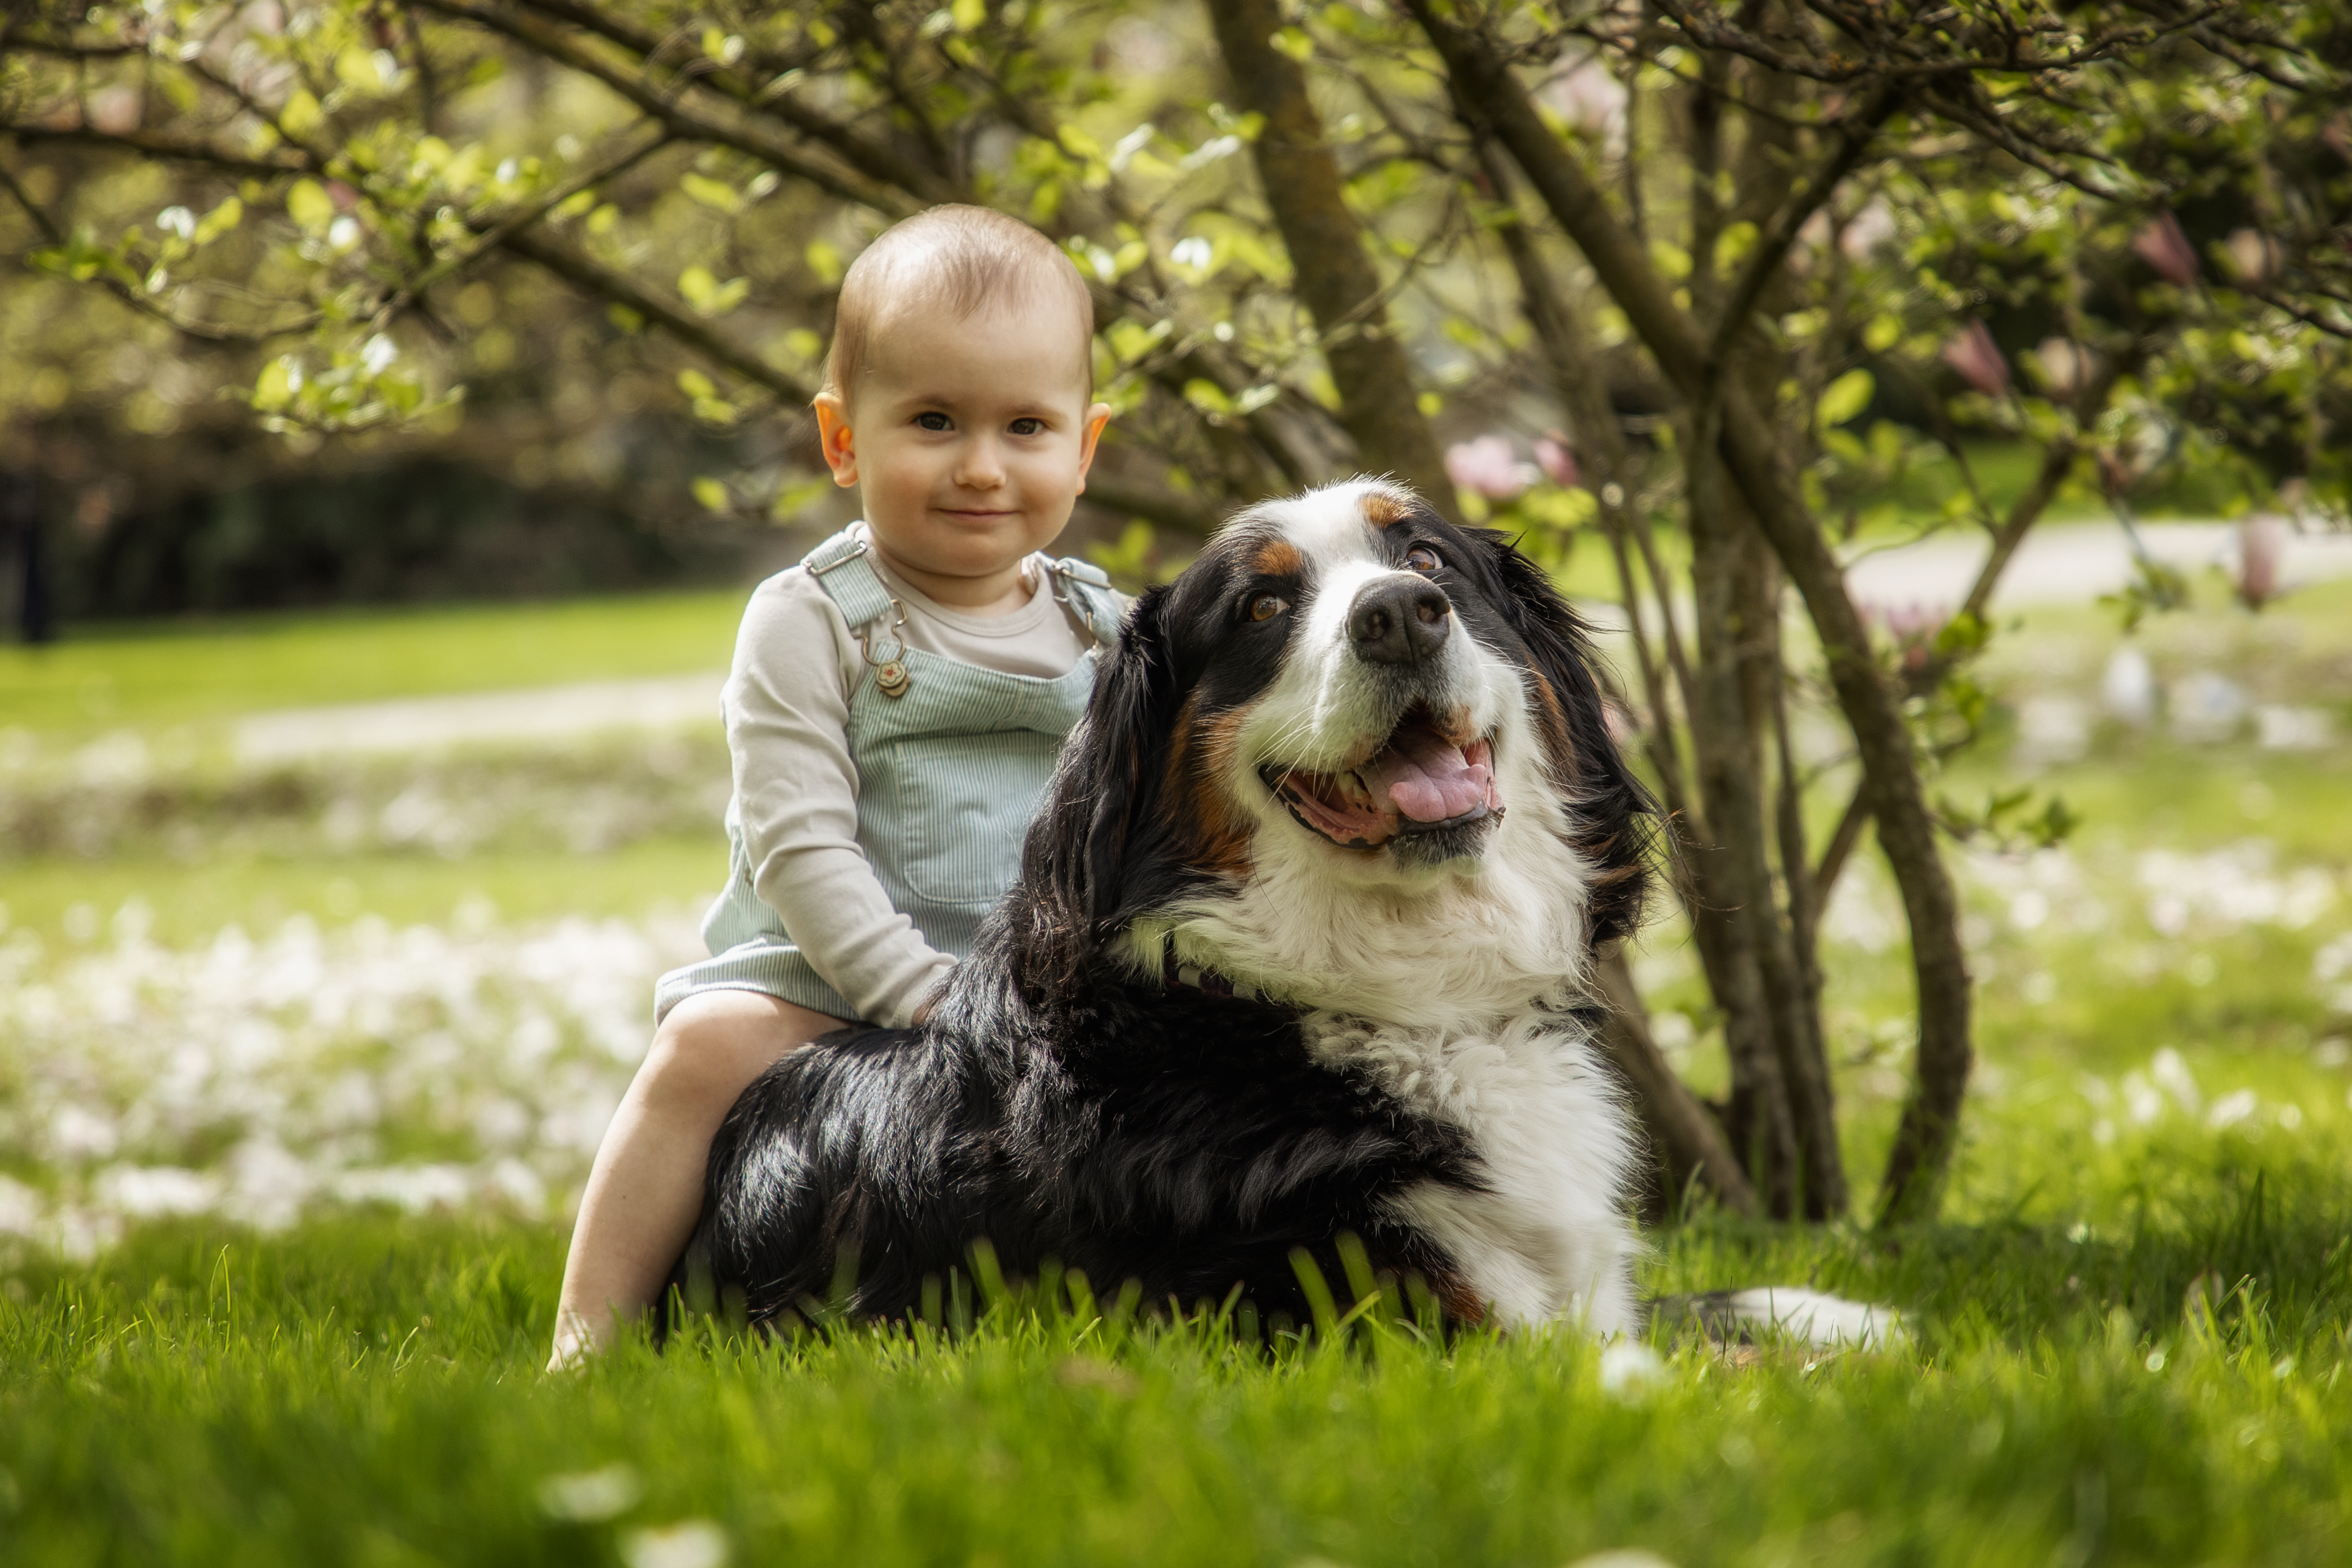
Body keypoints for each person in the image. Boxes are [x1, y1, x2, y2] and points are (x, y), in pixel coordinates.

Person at [548, 206, 1124, 1367]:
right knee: (699, 1050)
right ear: (842, 438)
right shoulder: (812, 620)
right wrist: (921, 995)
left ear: (1085, 447)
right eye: (932, 421)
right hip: (822, 978)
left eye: (1026, 426)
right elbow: (802, 847)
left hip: (1035, 984)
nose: (979, 465)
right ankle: (586, 1339)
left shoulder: (1106, 627)